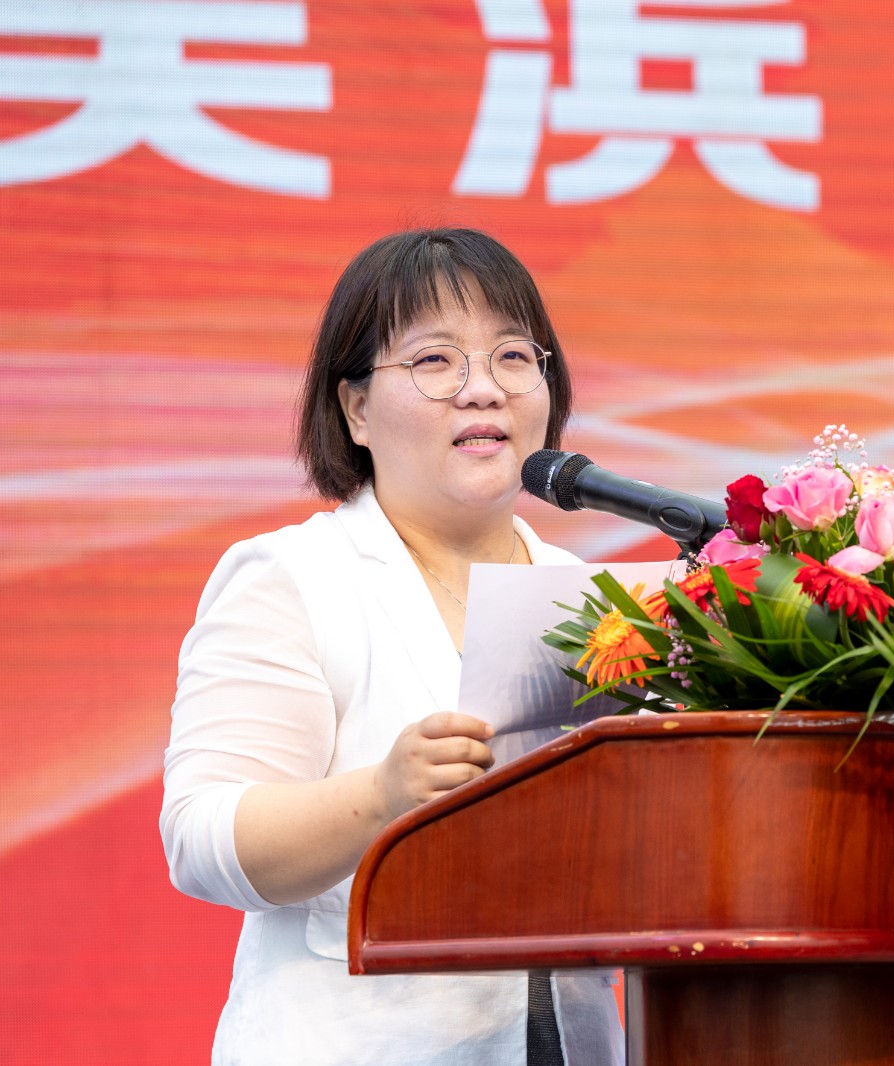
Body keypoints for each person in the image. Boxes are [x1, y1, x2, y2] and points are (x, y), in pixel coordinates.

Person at [160, 228, 623, 1065]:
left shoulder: (590, 598)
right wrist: (381, 797)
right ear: (356, 409)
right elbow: (202, 840)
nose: (483, 389)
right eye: (435, 361)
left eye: (514, 357)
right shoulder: (294, 576)